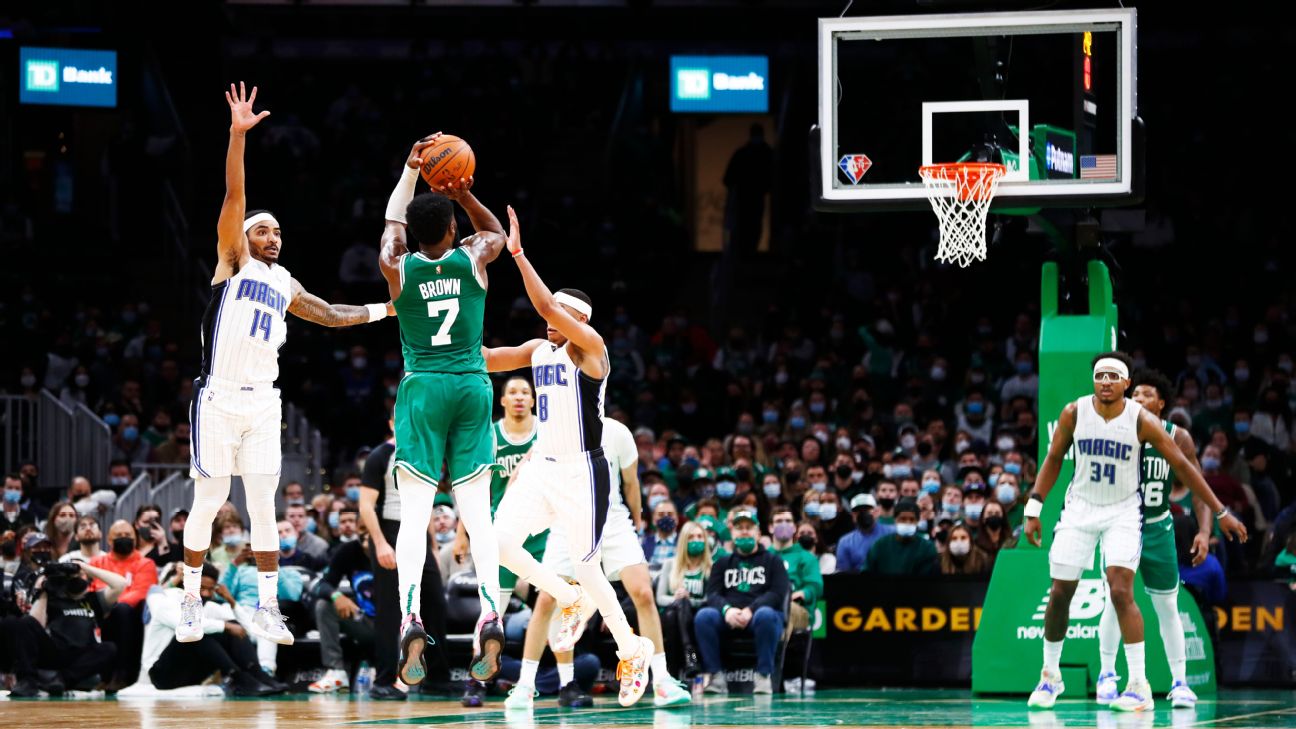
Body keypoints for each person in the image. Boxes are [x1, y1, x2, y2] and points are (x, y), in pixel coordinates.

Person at [179, 83, 393, 648]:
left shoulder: (283, 281)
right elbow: (232, 198)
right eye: (263, 230)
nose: (273, 237)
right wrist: (236, 137)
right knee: (208, 498)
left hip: (263, 399)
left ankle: (270, 607)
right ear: (245, 238)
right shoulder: (234, 263)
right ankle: (191, 596)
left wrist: (388, 308)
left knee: (264, 502)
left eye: (277, 231)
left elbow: (329, 313)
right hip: (218, 396)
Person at [481, 208, 655, 707]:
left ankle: (631, 648)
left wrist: (517, 253)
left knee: (590, 567)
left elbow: (544, 303)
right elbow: (492, 357)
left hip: (584, 469)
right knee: (498, 544)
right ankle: (568, 596)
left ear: (579, 322)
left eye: (560, 313)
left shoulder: (593, 351)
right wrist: (440, 349)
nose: (548, 318)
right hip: (541, 467)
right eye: (549, 313)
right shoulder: (540, 349)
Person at [1023, 353, 1247, 712]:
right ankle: (1050, 675)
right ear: (1093, 380)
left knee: (1121, 589)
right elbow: (1052, 459)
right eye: (1100, 375)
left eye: (1114, 376)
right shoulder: (1074, 413)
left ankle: (1139, 684)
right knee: (1060, 592)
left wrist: (1221, 512)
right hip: (1079, 508)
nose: (1106, 381)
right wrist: (1034, 507)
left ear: (1126, 384)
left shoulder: (1141, 420)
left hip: (1124, 513)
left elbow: (1183, 466)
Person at [379, 133, 508, 687]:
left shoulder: (397, 265)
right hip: (472, 386)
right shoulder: (473, 256)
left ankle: (410, 617)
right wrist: (464, 193)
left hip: (423, 388)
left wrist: (411, 174)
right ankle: (491, 614)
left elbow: (391, 228)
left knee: (413, 516)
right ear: (453, 230)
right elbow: (496, 233)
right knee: (478, 514)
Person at [1095, 368, 1232, 710]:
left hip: (1158, 526)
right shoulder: (1114, 430)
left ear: (1161, 403)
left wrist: (1203, 531)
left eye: (1145, 394)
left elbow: (1197, 487)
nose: (1138, 399)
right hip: (1119, 525)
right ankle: (1107, 675)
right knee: (1115, 599)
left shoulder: (1178, 436)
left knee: (1168, 607)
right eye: (1135, 394)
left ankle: (1180, 682)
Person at [459, 375, 544, 707]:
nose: (520, 397)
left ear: (534, 401)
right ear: (503, 401)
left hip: (542, 531)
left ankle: (557, 682)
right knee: (492, 607)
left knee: (556, 605)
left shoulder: (545, 432)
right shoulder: (491, 434)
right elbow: (471, 484)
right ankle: (476, 680)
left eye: (526, 392)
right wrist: (461, 533)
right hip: (500, 530)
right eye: (513, 392)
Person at [358, 419, 449, 701]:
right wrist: (381, 543)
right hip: (388, 531)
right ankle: (384, 680)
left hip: (417, 530)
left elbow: (426, 503)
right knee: (389, 610)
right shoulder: (379, 456)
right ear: (391, 424)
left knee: (435, 602)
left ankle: (437, 678)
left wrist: (432, 545)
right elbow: (365, 506)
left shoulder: (422, 452)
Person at [127, 563, 283, 697]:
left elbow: (248, 629)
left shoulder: (207, 605)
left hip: (190, 674)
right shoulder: (168, 599)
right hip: (161, 676)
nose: (206, 594)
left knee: (230, 625)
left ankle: (257, 674)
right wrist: (225, 626)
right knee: (197, 632)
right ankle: (238, 678)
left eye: (210, 590)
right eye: (201, 589)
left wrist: (231, 601)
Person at [693, 508, 789, 694]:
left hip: (760, 615)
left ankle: (763, 677)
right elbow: (712, 595)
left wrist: (751, 610)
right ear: (732, 533)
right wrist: (727, 610)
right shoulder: (721, 563)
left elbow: (777, 594)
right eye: (739, 528)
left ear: (758, 533)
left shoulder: (773, 561)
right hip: (729, 615)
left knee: (766, 615)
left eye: (749, 527)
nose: (744, 531)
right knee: (704, 616)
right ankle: (716, 677)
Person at [90, 521, 159, 687]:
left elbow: (141, 591)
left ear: (135, 539)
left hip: (131, 618)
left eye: (128, 535)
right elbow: (91, 589)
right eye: (119, 536)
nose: (124, 538)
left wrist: (111, 605)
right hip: (100, 615)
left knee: (122, 610)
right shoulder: (97, 563)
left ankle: (122, 674)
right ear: (109, 540)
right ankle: (100, 675)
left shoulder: (145, 563)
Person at [656, 520, 711, 677]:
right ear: (683, 541)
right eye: (691, 537)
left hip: (694, 614)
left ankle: (672, 671)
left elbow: (708, 599)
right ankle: (690, 655)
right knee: (675, 612)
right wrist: (676, 598)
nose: (696, 541)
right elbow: (660, 598)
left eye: (700, 537)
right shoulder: (670, 564)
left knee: (680, 609)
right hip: (669, 613)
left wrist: (689, 600)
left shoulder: (709, 567)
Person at [769, 507, 823, 632]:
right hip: (766, 605)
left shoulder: (806, 557)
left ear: (794, 528)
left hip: (798, 609)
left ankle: (775, 651)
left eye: (788, 521)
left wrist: (804, 593)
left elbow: (816, 587)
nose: (784, 525)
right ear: (770, 527)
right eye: (779, 521)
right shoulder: (764, 556)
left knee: (785, 608)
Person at [864, 500, 937, 576]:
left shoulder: (927, 547)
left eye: (912, 519)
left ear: (917, 521)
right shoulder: (880, 545)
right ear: (895, 520)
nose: (907, 523)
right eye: (903, 519)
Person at [835, 494, 895, 574]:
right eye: (858, 512)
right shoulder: (845, 542)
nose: (863, 514)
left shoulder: (893, 533)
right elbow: (844, 572)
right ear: (853, 516)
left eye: (867, 510)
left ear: (877, 512)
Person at [642, 499, 680, 569]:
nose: (666, 517)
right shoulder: (643, 543)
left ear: (677, 519)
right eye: (661, 514)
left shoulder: (684, 541)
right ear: (653, 520)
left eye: (670, 514)